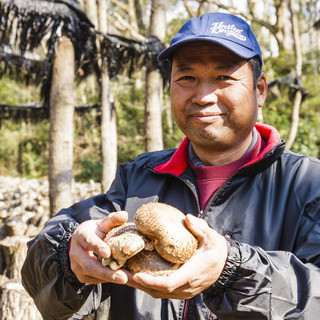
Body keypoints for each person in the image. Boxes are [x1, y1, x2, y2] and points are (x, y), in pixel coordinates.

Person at [21, 12, 320, 320]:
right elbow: (37, 273)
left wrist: (230, 271)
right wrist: (69, 257)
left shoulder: (308, 184)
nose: (203, 96)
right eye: (187, 78)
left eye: (224, 77)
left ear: (260, 90)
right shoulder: (138, 179)